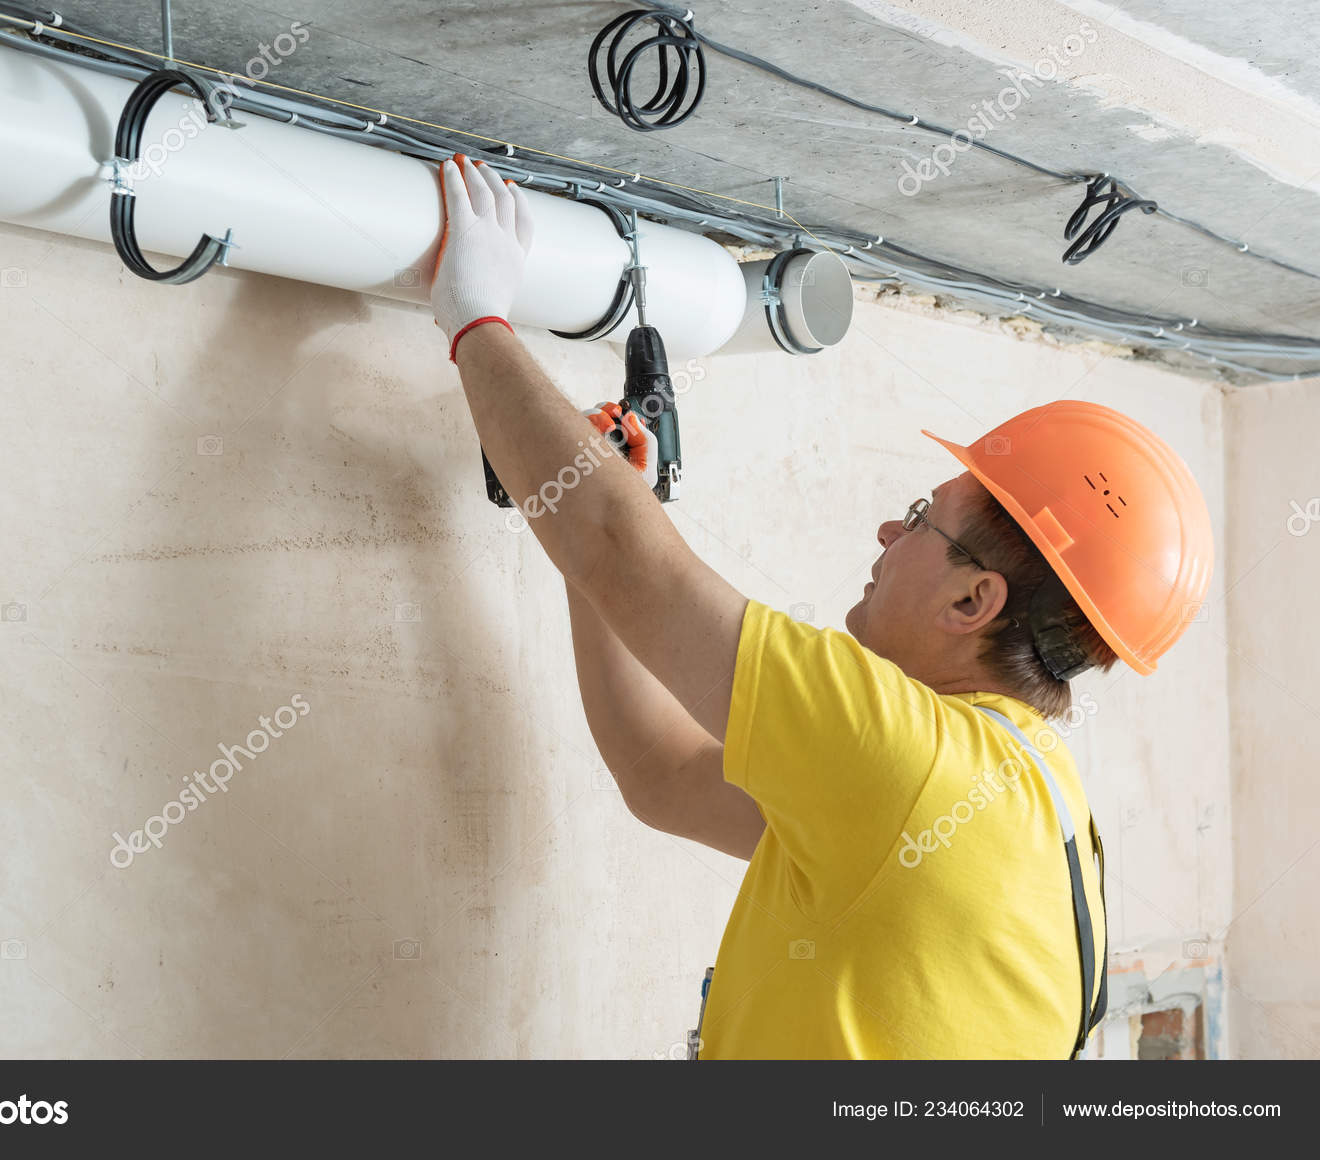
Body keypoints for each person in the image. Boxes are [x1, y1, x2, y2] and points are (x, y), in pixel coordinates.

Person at [428, 154, 1213, 1058]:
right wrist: (581, 541)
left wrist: (475, 317)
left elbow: (619, 549)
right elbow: (661, 774)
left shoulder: (913, 768)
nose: (888, 530)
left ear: (973, 597)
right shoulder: (1018, 795)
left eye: (921, 519)